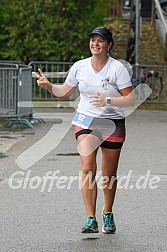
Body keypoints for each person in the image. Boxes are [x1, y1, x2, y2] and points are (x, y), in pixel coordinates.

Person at [35, 26, 134, 234]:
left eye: (100, 41)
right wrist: (49, 86)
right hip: (85, 119)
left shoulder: (117, 68)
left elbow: (130, 98)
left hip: (112, 121)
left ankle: (107, 212)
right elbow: (64, 91)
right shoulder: (80, 66)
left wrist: (108, 100)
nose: (95, 44)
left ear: (108, 45)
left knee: (108, 174)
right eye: (92, 40)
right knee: (87, 166)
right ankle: (90, 218)